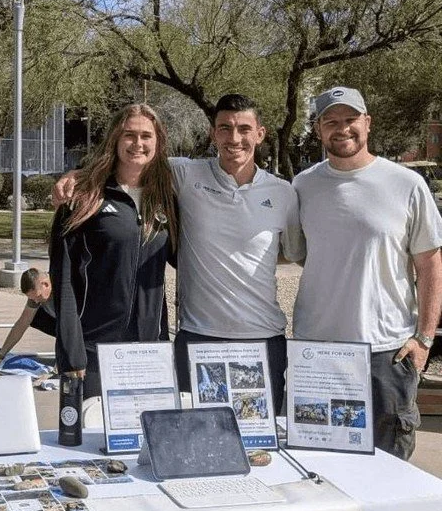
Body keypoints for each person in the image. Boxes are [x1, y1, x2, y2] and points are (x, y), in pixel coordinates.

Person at [53, 93, 304, 414]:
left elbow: (291, 252)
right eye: (225, 128)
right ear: (212, 134)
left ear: (260, 134)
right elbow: (131, 164)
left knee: (260, 436)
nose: (234, 138)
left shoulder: (284, 193)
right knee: (197, 437)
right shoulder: (185, 175)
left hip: (263, 339)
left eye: (244, 129)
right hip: (197, 338)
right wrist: (78, 176)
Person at [293, 85, 442, 459]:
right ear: (318, 129)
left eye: (351, 119)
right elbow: (301, 254)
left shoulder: (406, 184)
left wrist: (424, 339)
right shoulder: (302, 186)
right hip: (319, 352)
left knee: (390, 465)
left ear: (368, 123)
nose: (342, 128)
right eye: (331, 121)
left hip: (387, 353)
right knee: (320, 466)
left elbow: (430, 265)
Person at [50, 103, 177, 398]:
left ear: (158, 142)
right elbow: (63, 279)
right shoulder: (83, 196)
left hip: (149, 349)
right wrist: (71, 353)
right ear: (115, 140)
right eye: (129, 135)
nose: (138, 143)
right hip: (93, 351)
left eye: (146, 136)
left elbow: (179, 257)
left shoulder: (166, 198)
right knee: (90, 427)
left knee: (145, 426)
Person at [0, 268, 55, 367]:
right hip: (63, 324)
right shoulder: (36, 295)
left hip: (75, 324)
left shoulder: (63, 288)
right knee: (34, 316)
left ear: (45, 284)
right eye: (32, 298)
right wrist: (0, 355)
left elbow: (69, 327)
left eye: (38, 296)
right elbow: (22, 323)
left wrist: (62, 365)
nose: (36, 301)